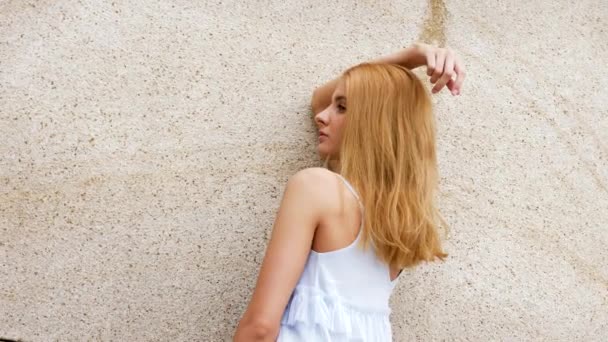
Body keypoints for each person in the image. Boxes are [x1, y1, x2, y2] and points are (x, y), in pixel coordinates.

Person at [233, 43, 466, 341]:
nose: (322, 115)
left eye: (341, 107)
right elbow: (319, 100)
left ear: (372, 124)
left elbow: (261, 328)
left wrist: (411, 57)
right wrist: (411, 57)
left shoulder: (316, 187)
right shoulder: (403, 222)